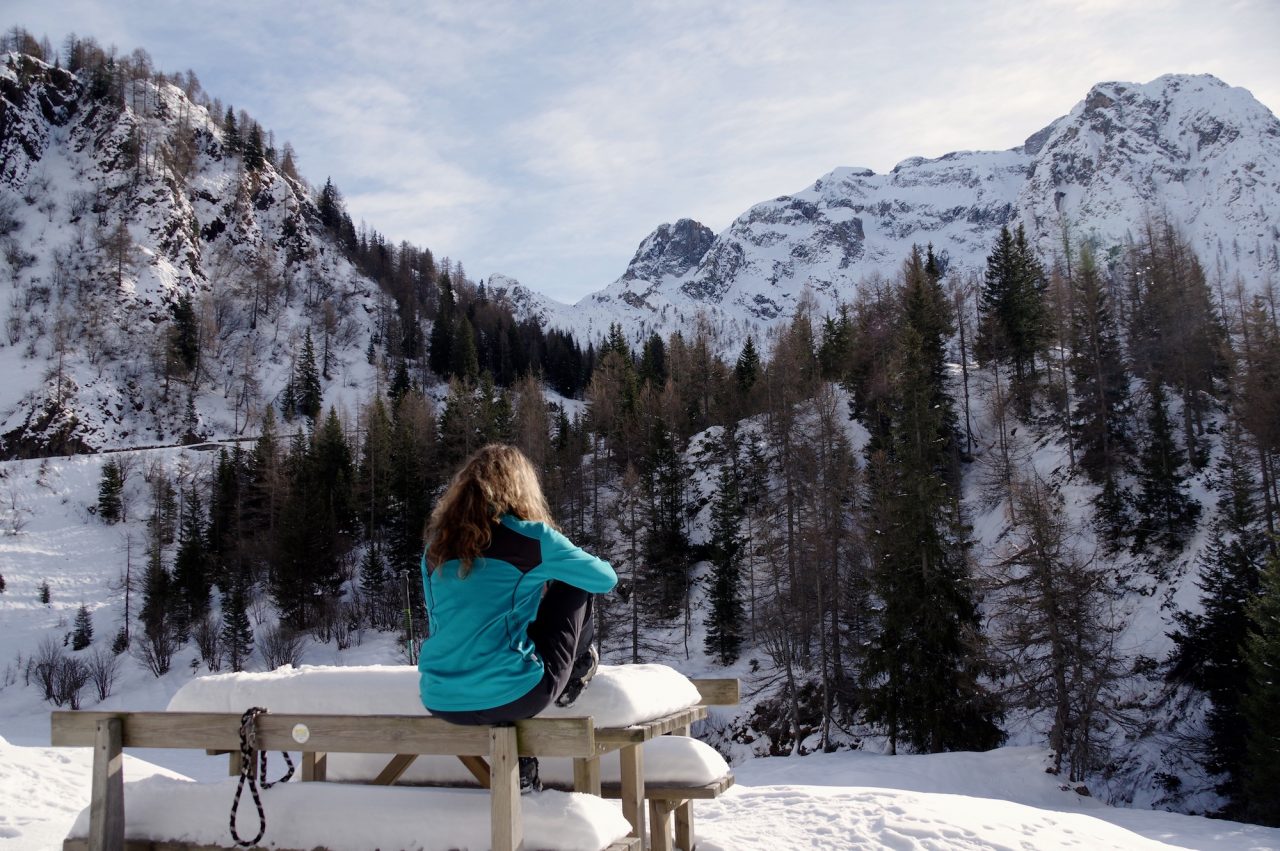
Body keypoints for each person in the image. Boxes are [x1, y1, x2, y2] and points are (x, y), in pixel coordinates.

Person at [417, 444, 617, 792]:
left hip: (442, 699)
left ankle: (521, 766)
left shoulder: (437, 548)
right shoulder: (532, 539)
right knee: (574, 582)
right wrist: (553, 564)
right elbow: (603, 578)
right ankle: (579, 667)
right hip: (515, 694)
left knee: (499, 628)